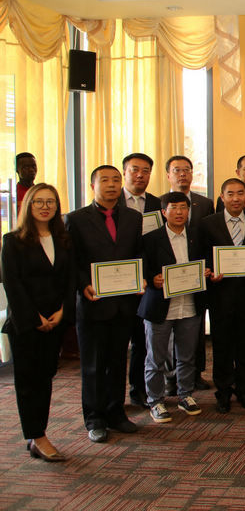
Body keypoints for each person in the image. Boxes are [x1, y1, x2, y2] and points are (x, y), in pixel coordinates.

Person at [65, 165, 144, 443]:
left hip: (124, 302)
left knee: (117, 360)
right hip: (93, 301)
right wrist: (82, 284)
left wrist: (141, 277)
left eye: (115, 180)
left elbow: (138, 253)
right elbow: (71, 260)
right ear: (92, 185)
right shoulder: (75, 219)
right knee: (93, 364)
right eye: (105, 180)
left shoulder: (133, 218)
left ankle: (116, 413)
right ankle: (94, 417)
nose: (111, 185)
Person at [1, 183, 74, 461]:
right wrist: (35, 317)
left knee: (45, 378)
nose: (45, 207)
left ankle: (37, 434)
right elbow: (13, 284)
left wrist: (63, 311)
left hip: (55, 320)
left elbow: (69, 280)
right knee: (28, 382)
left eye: (50, 202)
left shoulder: (63, 239)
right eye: (39, 202)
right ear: (28, 205)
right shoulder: (13, 241)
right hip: (26, 323)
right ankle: (37, 436)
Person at [138, 191, 211, 422]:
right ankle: (155, 401)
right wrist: (152, 278)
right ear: (163, 212)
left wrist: (206, 271)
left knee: (187, 356)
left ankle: (185, 395)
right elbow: (142, 268)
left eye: (183, 208)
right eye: (174, 208)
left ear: (189, 211)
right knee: (156, 358)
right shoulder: (151, 238)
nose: (179, 212)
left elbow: (206, 261)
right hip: (160, 306)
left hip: (189, 303)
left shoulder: (197, 235)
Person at [200, 178, 245, 413]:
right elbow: (203, 255)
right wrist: (210, 272)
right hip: (221, 295)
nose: (236, 198)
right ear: (222, 197)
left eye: (240, 193)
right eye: (230, 194)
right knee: (222, 346)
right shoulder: (208, 223)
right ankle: (224, 392)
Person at [165, 154, 214, 390]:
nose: (182, 174)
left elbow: (210, 237)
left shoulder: (204, 203)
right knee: (169, 332)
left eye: (186, 170)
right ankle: (170, 377)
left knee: (195, 326)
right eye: (177, 170)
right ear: (168, 175)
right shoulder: (159, 202)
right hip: (169, 277)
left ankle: (195, 374)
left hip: (196, 276)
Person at [118, 152, 161, 410]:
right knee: (115, 344)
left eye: (146, 170)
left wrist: (149, 276)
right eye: (135, 169)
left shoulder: (157, 203)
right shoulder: (113, 202)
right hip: (118, 281)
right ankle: (111, 399)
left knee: (142, 341)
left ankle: (138, 390)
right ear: (125, 172)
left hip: (147, 283)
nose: (140, 175)